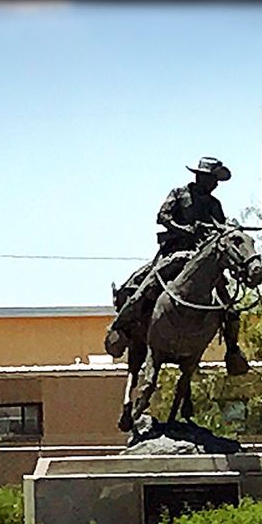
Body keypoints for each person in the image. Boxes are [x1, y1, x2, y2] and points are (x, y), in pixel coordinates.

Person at [104, 156, 251, 376]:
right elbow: (162, 217)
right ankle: (121, 324)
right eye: (213, 179)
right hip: (175, 252)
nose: (216, 184)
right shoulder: (179, 194)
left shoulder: (214, 204)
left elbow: (221, 231)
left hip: (203, 257)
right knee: (146, 283)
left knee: (227, 302)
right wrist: (186, 229)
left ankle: (232, 349)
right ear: (201, 177)